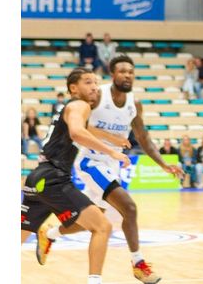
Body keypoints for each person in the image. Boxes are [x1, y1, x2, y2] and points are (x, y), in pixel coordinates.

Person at [71, 55, 184, 284]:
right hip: (90, 160)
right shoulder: (97, 95)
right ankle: (138, 264)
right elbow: (80, 126)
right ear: (113, 74)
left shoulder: (134, 104)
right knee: (129, 208)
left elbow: (143, 138)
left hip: (113, 164)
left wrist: (163, 164)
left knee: (91, 219)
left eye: (131, 72)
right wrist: (112, 140)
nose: (127, 75)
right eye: (122, 71)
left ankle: (49, 233)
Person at [21, 68, 130, 284]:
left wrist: (114, 138)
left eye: (96, 82)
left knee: (20, 233)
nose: (95, 87)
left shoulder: (70, 109)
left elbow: (86, 129)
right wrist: (112, 152)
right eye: (88, 82)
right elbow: (77, 133)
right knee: (103, 227)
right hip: (54, 178)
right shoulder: (80, 105)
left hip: (37, 178)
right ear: (73, 88)